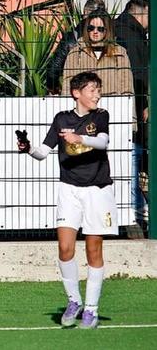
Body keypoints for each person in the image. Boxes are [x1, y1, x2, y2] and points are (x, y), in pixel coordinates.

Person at [18, 71, 117, 329]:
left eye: (98, 90)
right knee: (64, 247)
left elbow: (103, 142)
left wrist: (79, 138)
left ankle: (92, 309)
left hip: (98, 190)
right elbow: (43, 152)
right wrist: (28, 148)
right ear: (76, 93)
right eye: (92, 90)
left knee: (93, 248)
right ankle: (74, 300)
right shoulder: (62, 119)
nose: (97, 95)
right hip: (69, 189)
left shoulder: (101, 116)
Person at [114, 0, 150, 231]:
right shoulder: (132, 36)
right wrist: (144, 104)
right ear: (140, 13)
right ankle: (138, 209)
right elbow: (138, 74)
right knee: (136, 155)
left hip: (127, 104)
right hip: (135, 104)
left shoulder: (122, 30)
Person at [61, 9, 133, 96]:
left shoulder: (120, 53)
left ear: (107, 30)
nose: (95, 32)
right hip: (84, 102)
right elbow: (67, 86)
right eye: (91, 28)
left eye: (100, 29)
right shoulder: (76, 53)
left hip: (112, 102)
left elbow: (127, 86)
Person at [47, 0, 107, 94]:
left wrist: (55, 89)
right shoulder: (111, 36)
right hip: (105, 92)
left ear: (85, 12)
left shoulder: (71, 38)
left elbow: (53, 70)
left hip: (76, 92)